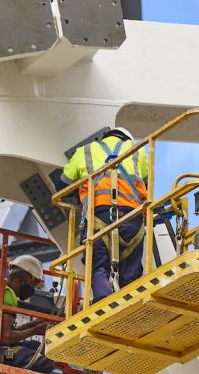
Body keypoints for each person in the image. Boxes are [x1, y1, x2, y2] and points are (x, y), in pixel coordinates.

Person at [61, 126, 150, 301]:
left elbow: (63, 183)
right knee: (130, 268)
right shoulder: (137, 151)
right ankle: (129, 303)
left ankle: (104, 300)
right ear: (127, 140)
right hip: (132, 216)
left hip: (98, 216)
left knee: (99, 266)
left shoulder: (85, 151)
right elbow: (146, 181)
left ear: (105, 137)